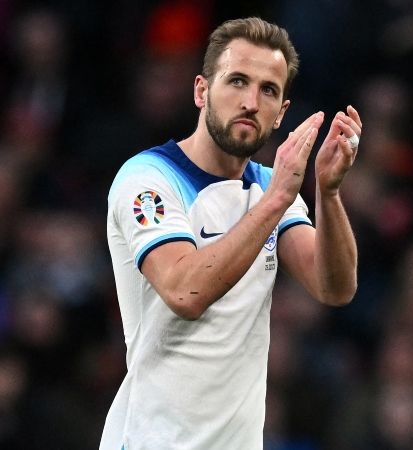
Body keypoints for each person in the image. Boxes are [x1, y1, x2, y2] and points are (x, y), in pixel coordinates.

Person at [99, 17, 361, 450]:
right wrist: (276, 199)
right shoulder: (147, 179)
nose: (251, 102)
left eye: (268, 90)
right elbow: (186, 292)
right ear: (202, 90)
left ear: (281, 114)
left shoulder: (269, 186)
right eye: (237, 81)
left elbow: (334, 287)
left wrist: (328, 194)